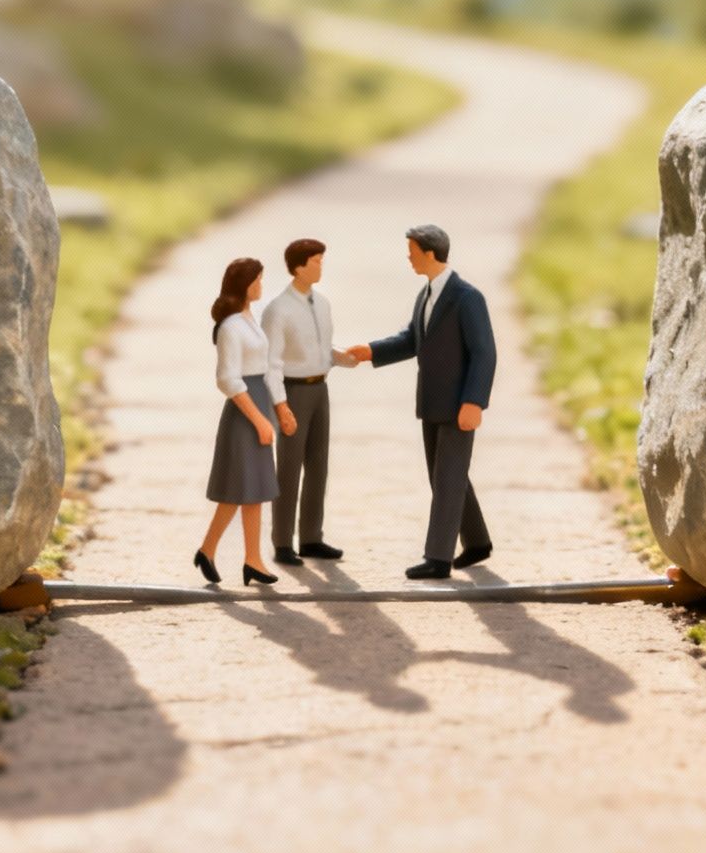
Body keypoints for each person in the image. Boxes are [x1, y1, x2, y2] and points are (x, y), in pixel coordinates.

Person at [342, 224, 496, 580]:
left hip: (458, 405)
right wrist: (371, 351)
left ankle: (438, 558)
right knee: (445, 475)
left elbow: (484, 353)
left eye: (412, 252)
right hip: (432, 402)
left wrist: (474, 401)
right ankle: (477, 542)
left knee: (447, 480)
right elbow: (413, 339)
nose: (408, 258)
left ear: (429, 253)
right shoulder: (426, 295)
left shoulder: (467, 298)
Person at [261, 238, 358, 566]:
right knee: (289, 468)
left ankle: (311, 536)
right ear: (298, 267)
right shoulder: (278, 310)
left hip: (320, 390)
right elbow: (271, 363)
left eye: (321, 260)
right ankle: (282, 541)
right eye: (315, 261)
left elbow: (321, 348)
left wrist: (343, 357)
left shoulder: (322, 304)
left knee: (318, 465)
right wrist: (280, 405)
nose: (320, 267)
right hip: (294, 392)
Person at [196, 257, 282, 587]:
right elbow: (227, 379)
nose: (261, 285)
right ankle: (217, 552)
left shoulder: (248, 319)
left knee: (252, 490)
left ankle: (247, 558)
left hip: (257, 400)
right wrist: (259, 420)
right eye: (257, 280)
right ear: (244, 284)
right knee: (239, 490)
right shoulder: (232, 327)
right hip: (245, 410)